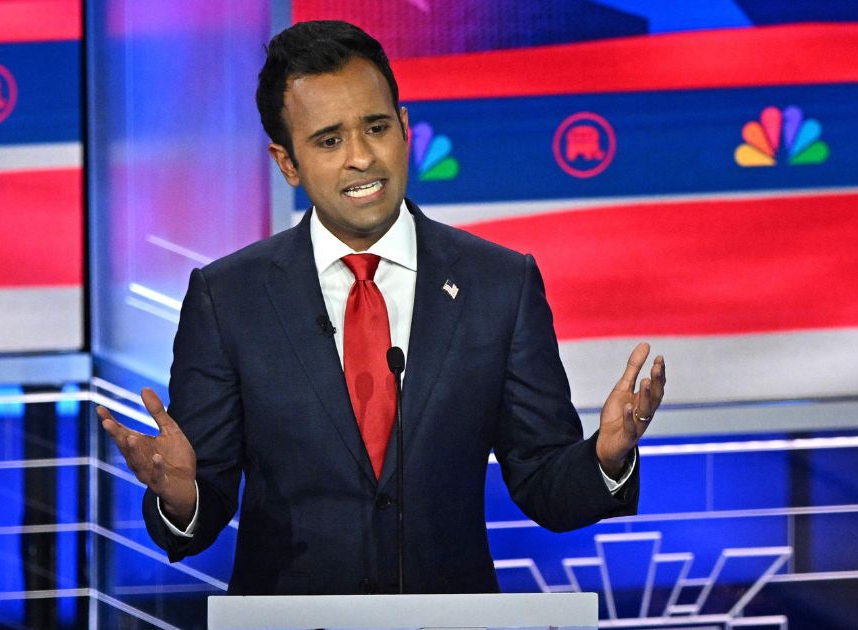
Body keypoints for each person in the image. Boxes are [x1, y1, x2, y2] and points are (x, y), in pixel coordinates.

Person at [98, 20, 665, 595]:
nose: (361, 158)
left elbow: (546, 483)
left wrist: (607, 457)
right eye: (328, 140)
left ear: (405, 128)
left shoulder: (499, 284)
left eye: (376, 127)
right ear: (287, 162)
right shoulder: (228, 299)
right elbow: (200, 508)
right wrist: (181, 497)